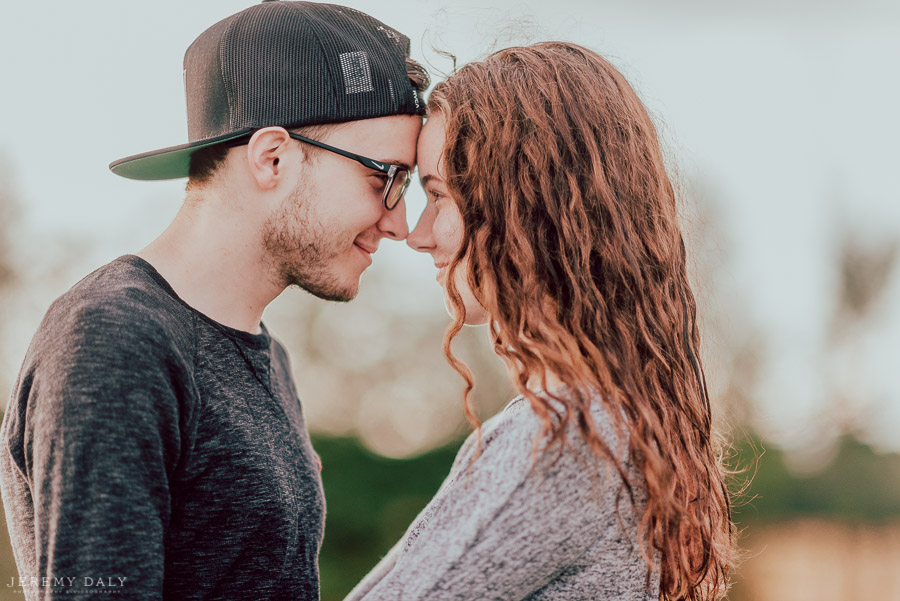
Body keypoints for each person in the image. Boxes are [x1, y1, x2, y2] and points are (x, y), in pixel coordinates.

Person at [0, 1, 428, 599]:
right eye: (386, 177)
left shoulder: (268, 357)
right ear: (271, 157)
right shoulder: (115, 340)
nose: (400, 222)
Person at [347, 42, 736, 601]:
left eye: (439, 196)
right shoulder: (624, 421)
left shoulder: (565, 439)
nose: (418, 233)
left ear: (523, 210)